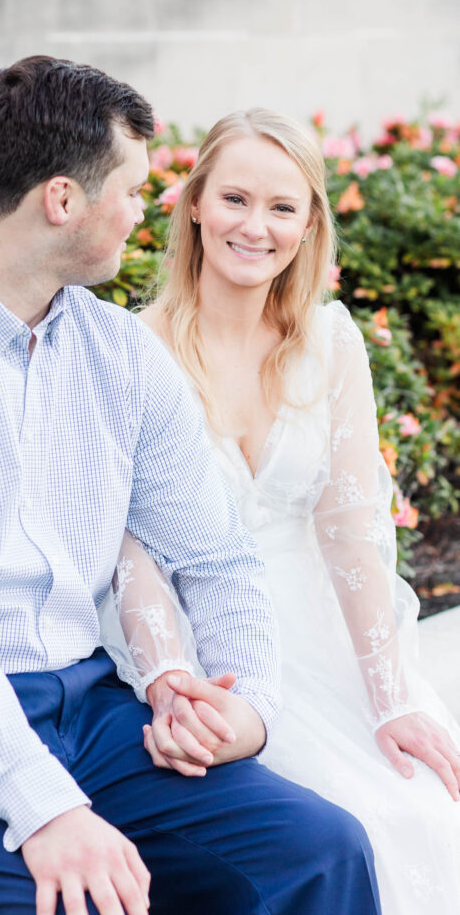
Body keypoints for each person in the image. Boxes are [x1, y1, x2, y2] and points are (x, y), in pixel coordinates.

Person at [0, 60, 381, 915]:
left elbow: (214, 555)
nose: (146, 209)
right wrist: (47, 808)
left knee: (318, 851)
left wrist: (247, 708)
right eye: (132, 188)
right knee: (82, 903)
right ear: (62, 201)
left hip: (80, 708)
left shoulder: (120, 356)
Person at [100, 108, 460, 914]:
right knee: (350, 827)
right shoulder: (130, 350)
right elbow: (130, 547)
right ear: (193, 204)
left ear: (307, 227)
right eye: (233, 198)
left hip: (320, 624)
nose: (253, 226)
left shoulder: (331, 343)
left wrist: (390, 695)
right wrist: (174, 682)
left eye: (281, 208)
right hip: (197, 631)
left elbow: (349, 531)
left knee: (427, 811)